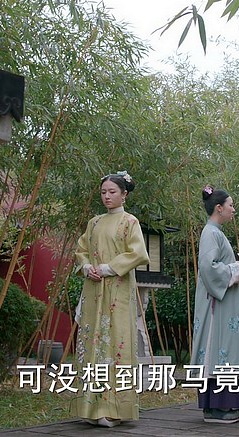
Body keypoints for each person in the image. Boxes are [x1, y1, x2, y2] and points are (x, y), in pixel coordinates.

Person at [73, 171, 150, 427]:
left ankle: (115, 409)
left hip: (118, 288)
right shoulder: (94, 222)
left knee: (117, 341)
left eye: (112, 192)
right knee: (92, 342)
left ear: (124, 194)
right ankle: (91, 407)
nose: (107, 196)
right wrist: (87, 267)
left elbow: (138, 253)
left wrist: (108, 268)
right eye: (103, 192)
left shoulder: (130, 222)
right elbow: (81, 250)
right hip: (94, 289)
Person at [190, 185, 239, 424]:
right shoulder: (211, 233)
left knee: (224, 349)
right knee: (220, 348)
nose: (233, 209)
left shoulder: (215, 232)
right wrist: (236, 268)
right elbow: (209, 268)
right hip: (217, 306)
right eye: (231, 205)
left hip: (223, 302)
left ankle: (216, 407)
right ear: (219, 208)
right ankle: (220, 407)